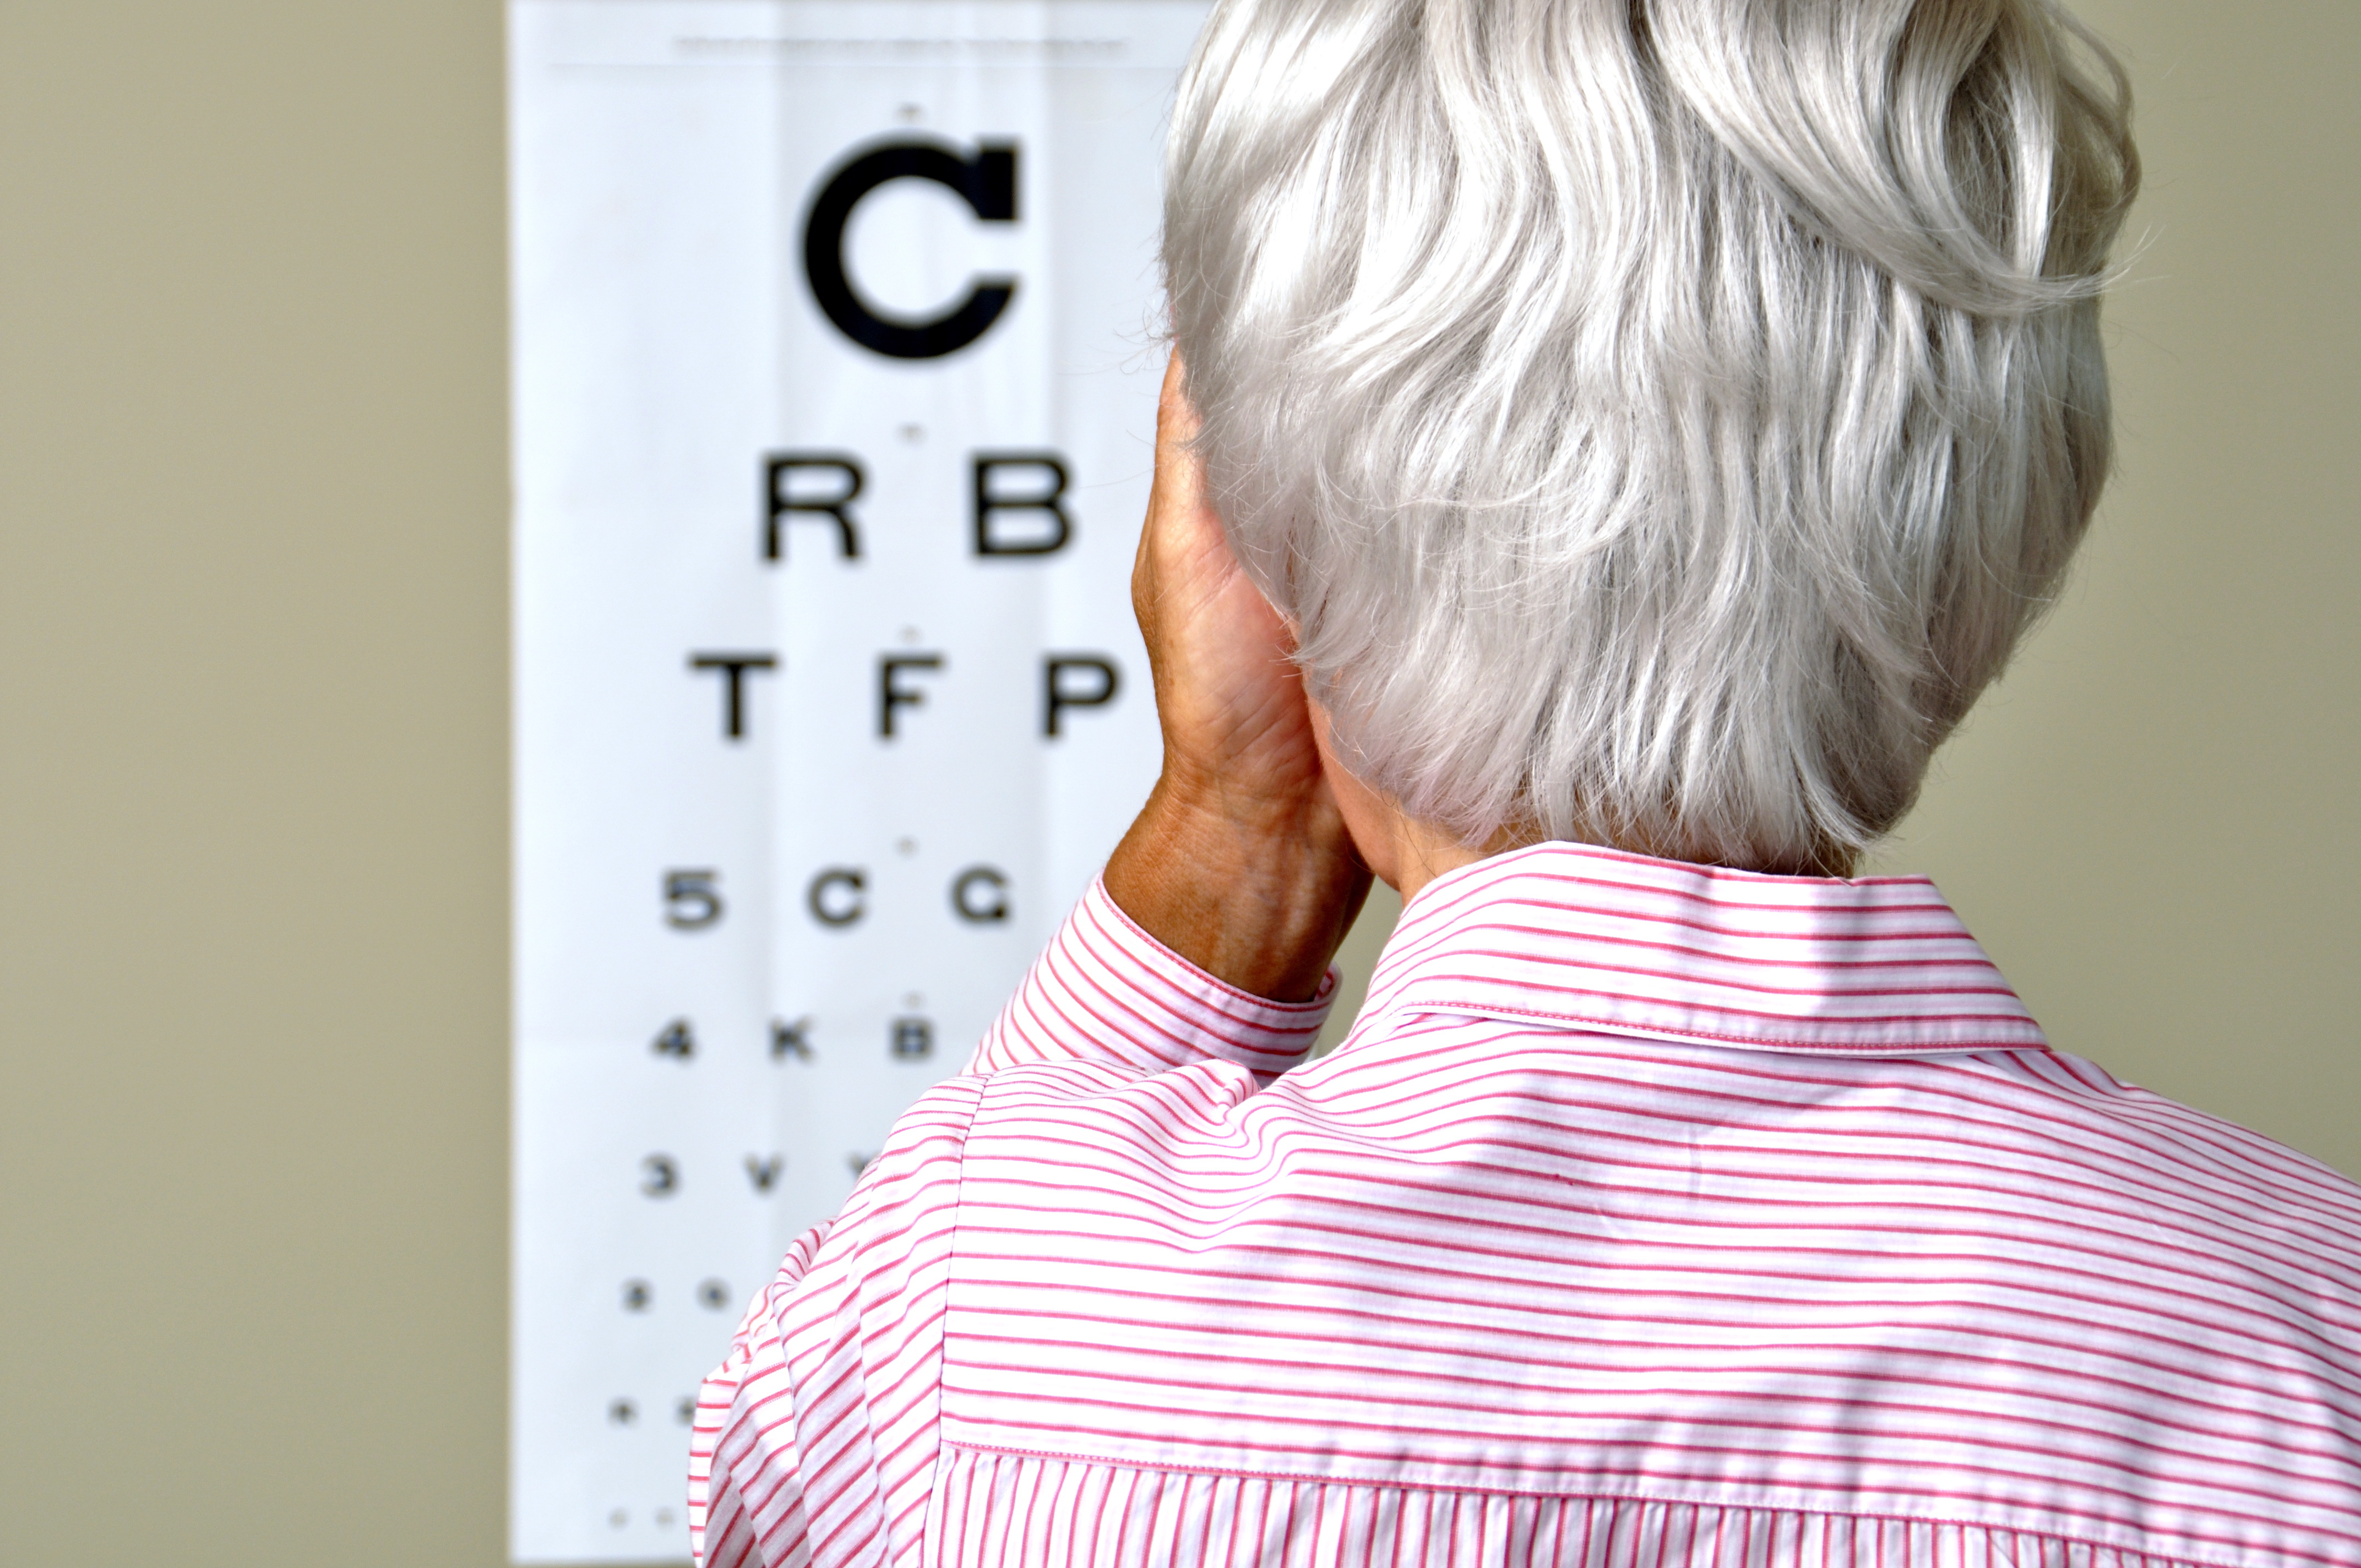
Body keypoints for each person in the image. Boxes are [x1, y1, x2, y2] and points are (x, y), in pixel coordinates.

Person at [691, 0, 2361, 1561]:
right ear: (2009, 503)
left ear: (1230, 506)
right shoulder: (2317, 1351)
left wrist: (1235, 820)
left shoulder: (968, 1349)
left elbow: (786, 1489)